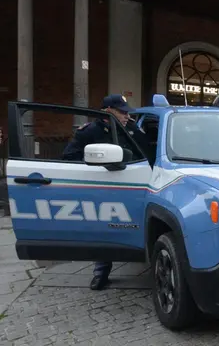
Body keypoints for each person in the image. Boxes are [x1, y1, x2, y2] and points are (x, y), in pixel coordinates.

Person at [62, 94, 141, 291]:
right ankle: (101, 272)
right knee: (105, 228)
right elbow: (70, 157)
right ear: (107, 111)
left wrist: (135, 130)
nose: (126, 115)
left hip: (132, 186)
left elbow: (145, 151)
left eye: (127, 112)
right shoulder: (89, 132)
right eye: (122, 112)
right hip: (101, 188)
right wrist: (94, 167)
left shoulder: (130, 128)